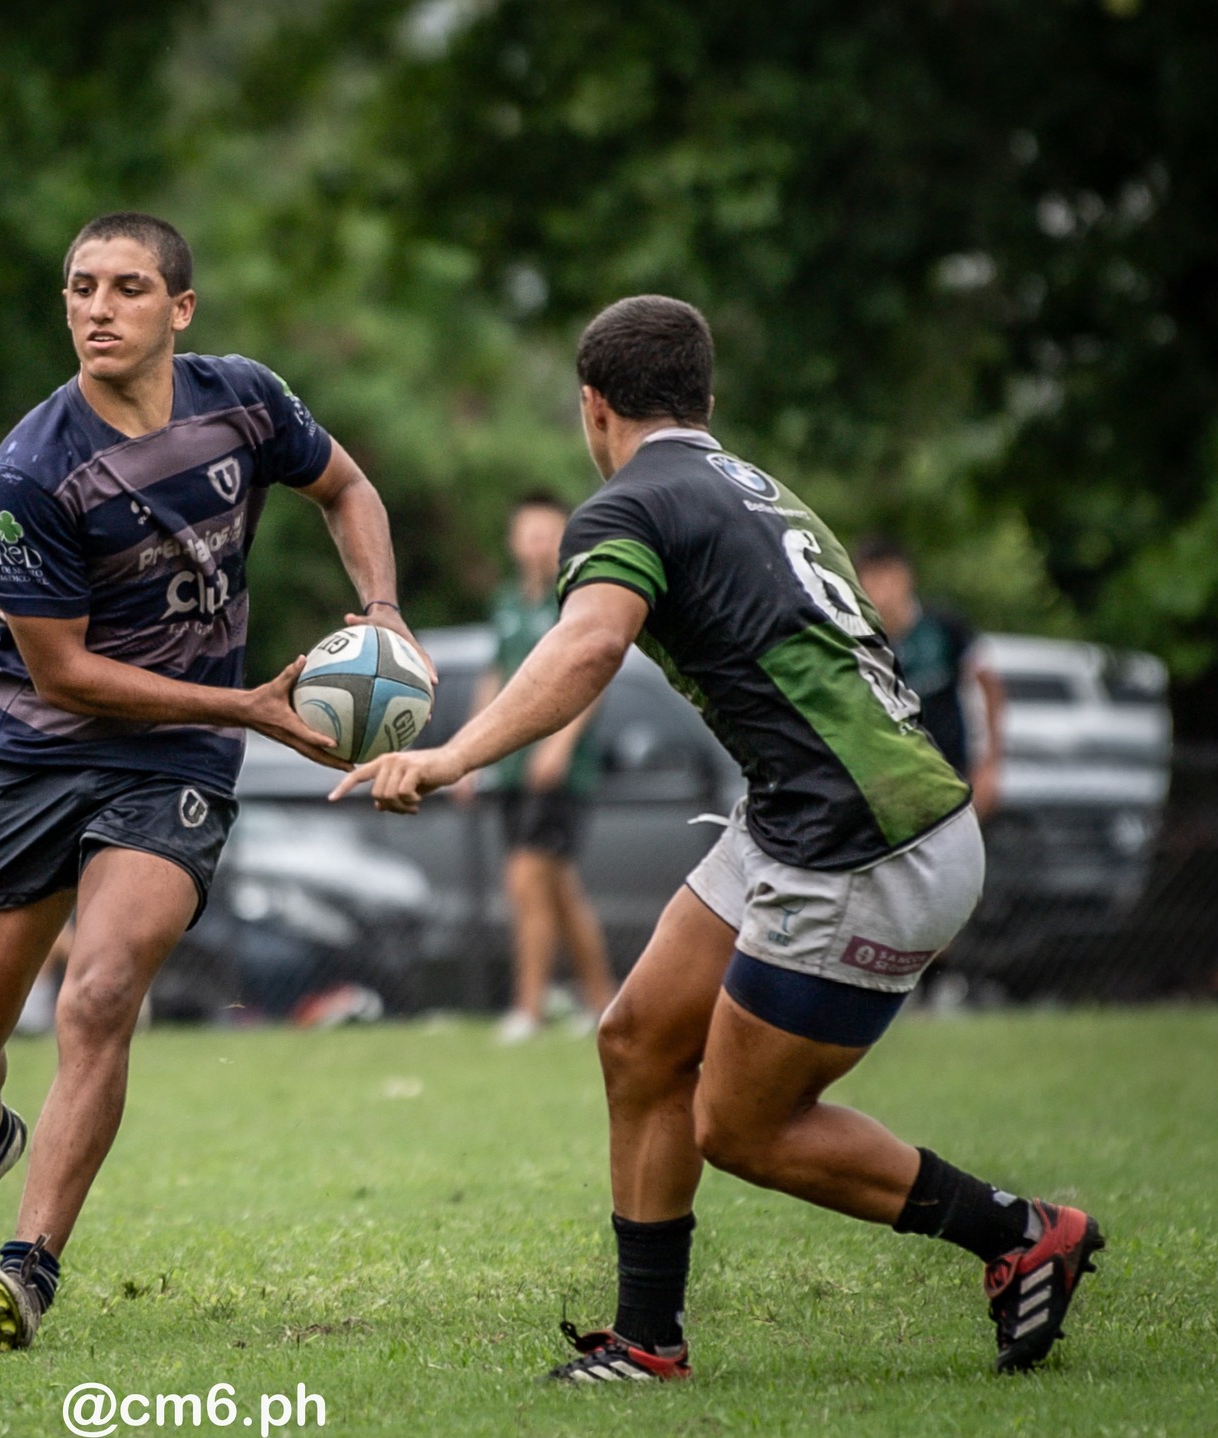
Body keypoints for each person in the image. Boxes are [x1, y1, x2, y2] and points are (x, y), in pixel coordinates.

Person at [336, 296, 1101, 1381]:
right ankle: (647, 1342)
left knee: (740, 1125)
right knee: (637, 1037)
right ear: (707, 399)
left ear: (590, 406)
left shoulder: (625, 505)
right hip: (817, 815)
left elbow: (589, 644)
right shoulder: (754, 488)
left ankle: (1021, 1234)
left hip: (860, 843)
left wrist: (451, 754)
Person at [0, 211, 425, 1352]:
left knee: (99, 993)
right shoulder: (26, 472)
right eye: (80, 287)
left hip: (172, 760)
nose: (98, 307)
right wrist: (246, 704)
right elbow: (63, 669)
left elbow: (347, 489)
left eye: (127, 287)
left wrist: (382, 613)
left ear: (178, 310)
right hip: (32, 746)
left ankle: (28, 1268)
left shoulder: (242, 398)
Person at [478, 492, 615, 1042]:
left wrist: (557, 746)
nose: (538, 541)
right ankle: (604, 1001)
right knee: (559, 889)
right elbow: (495, 675)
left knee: (526, 881)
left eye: (548, 531)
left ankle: (528, 1010)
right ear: (514, 539)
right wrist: (467, 755)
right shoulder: (509, 601)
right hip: (512, 769)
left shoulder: (574, 598)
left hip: (559, 772)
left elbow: (593, 674)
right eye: (529, 531)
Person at [852, 536, 1007, 817]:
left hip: (951, 776)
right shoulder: (858, 641)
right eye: (872, 577)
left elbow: (990, 686)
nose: (882, 588)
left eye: (889, 575)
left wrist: (990, 765)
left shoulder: (944, 627)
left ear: (907, 577)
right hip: (887, 788)